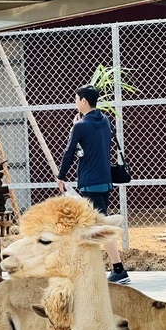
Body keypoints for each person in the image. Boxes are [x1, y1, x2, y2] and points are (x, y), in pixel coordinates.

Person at [55, 84, 130, 285]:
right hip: (105, 181)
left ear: (84, 101)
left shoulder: (80, 126)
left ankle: (116, 269)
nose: (75, 102)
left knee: (96, 227)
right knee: (97, 225)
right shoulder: (105, 121)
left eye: (76, 99)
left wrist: (60, 176)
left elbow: (69, 153)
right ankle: (115, 268)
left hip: (89, 182)